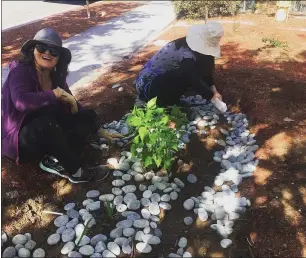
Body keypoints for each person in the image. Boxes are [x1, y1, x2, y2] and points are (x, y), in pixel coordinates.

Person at [1, 28, 121, 183]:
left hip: (47, 130)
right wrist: (54, 94)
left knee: (85, 116)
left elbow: (71, 101)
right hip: (21, 140)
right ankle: (77, 172)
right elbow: (21, 102)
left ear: (59, 58)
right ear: (33, 50)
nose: (48, 53)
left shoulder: (56, 76)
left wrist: (97, 128)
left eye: (54, 51)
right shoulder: (20, 71)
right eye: (42, 47)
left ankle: (52, 158)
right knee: (45, 123)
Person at [135, 21, 225, 108]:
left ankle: (171, 99)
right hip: (148, 85)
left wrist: (214, 91)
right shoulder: (185, 52)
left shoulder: (198, 52)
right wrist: (210, 96)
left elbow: (206, 74)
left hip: (160, 82)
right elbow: (190, 75)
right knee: (184, 74)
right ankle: (163, 102)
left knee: (191, 72)